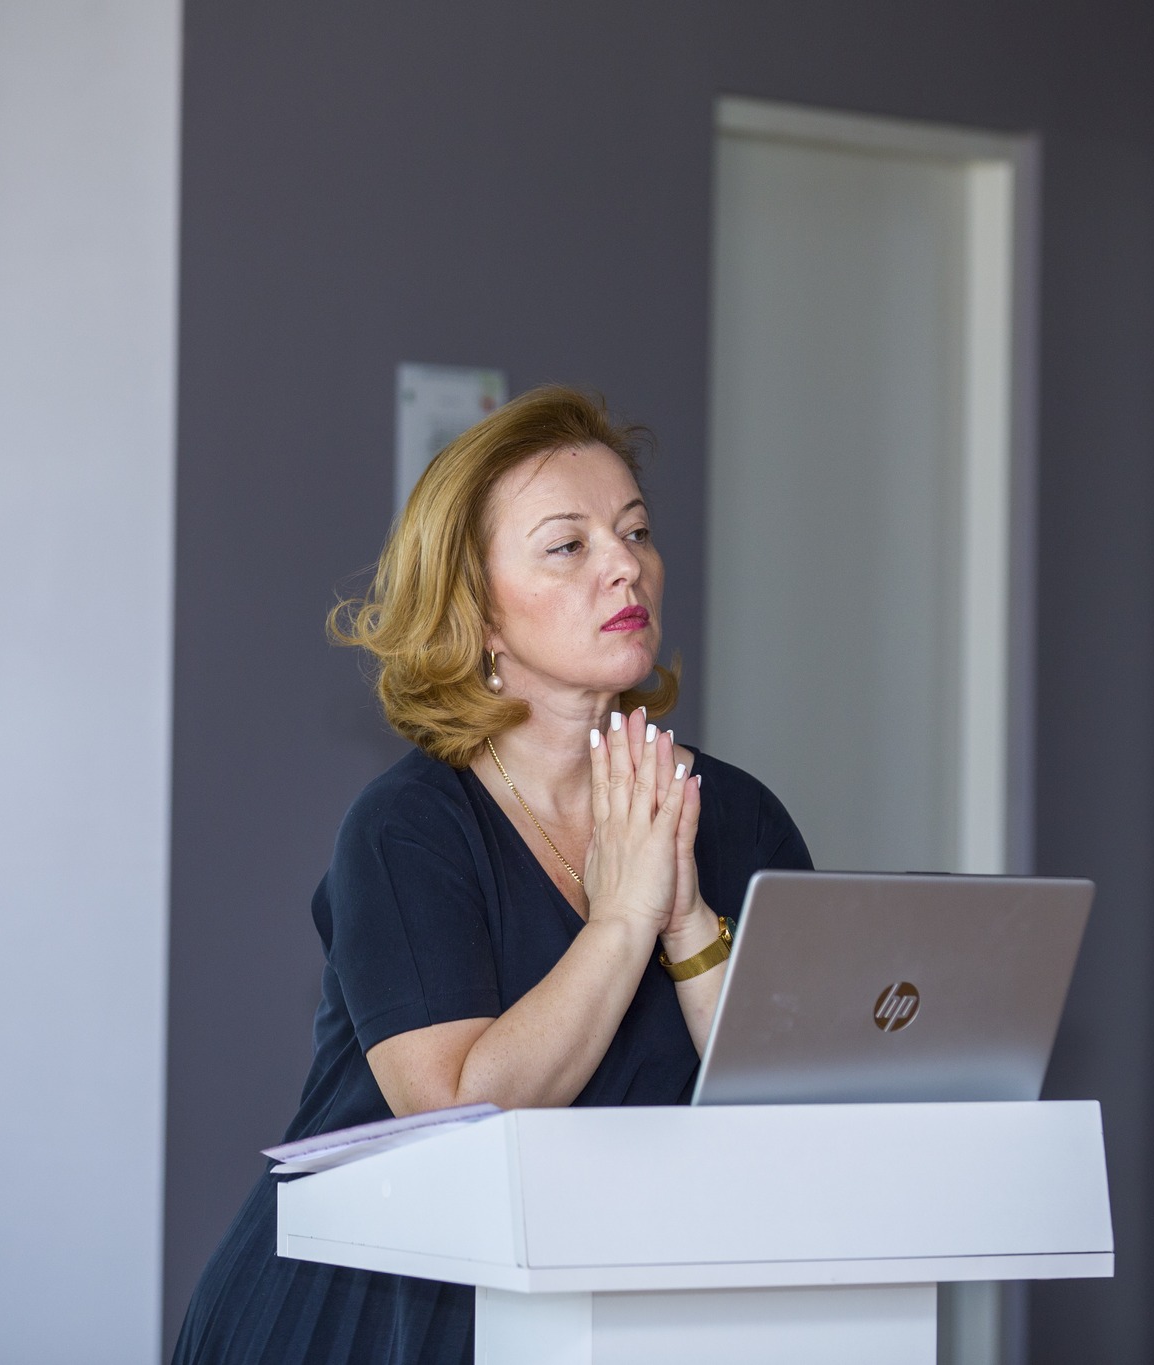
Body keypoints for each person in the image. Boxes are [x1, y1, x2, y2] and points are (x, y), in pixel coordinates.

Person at [171, 386, 812, 1365]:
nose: (625, 564)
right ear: (478, 613)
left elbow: (797, 1106)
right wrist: (621, 918)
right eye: (568, 545)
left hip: (604, 1318)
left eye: (635, 531)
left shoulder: (738, 816)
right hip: (366, 1319)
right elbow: (456, 1114)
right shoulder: (405, 830)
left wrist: (686, 925)